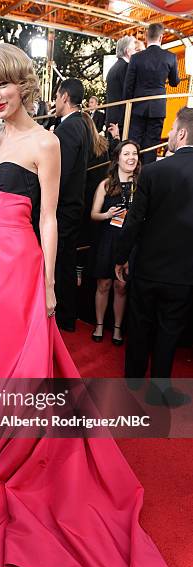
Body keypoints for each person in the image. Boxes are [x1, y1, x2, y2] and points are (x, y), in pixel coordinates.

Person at [0, 42, 176, 567]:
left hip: (24, 262)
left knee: (26, 359)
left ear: (21, 83)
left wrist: (52, 284)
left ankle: (23, 451)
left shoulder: (46, 141)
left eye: (0, 85)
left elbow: (52, 215)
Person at [116, 107, 193, 406]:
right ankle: (159, 388)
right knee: (169, 330)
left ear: (182, 133)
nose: (170, 134)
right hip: (185, 272)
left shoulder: (154, 171)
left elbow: (135, 220)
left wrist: (120, 256)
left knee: (140, 322)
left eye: (173, 130)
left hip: (148, 266)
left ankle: (133, 378)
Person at [90, 140, 141, 345]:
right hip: (107, 239)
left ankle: (118, 328)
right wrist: (107, 214)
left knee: (122, 286)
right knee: (104, 284)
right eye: (126, 154)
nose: (131, 158)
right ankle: (100, 325)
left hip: (130, 242)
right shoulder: (106, 184)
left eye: (134, 154)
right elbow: (93, 214)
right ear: (117, 159)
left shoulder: (141, 184)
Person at [54, 78, 93, 331]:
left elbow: (61, 173)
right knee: (66, 263)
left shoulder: (68, 128)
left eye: (57, 97)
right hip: (74, 206)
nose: (55, 102)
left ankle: (62, 317)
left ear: (65, 96)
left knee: (59, 265)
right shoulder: (82, 125)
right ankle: (67, 317)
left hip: (64, 207)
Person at [124, 23, 180, 164]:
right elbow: (175, 82)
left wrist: (128, 105)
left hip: (137, 107)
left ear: (146, 37)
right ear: (161, 37)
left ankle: (132, 177)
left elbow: (128, 86)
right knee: (152, 144)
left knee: (134, 143)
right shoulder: (170, 57)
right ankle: (147, 179)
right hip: (158, 107)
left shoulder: (136, 58)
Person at [105, 35, 136, 136]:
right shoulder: (126, 68)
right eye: (135, 49)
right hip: (122, 121)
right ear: (128, 51)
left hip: (112, 117)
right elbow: (128, 93)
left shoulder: (114, 67)